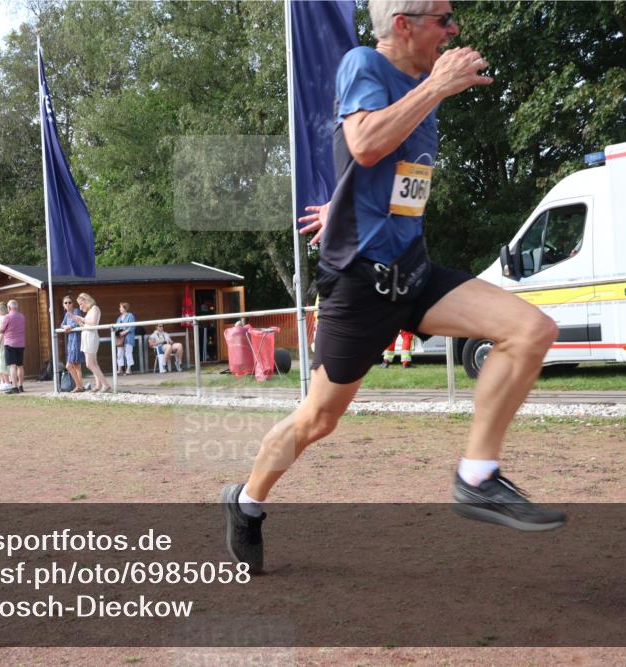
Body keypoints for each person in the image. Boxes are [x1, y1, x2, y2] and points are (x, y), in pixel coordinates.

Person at [222, 1, 564, 574]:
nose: (454, 30)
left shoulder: (415, 85)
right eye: (443, 18)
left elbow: (380, 166)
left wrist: (344, 198)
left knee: (532, 329)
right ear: (403, 24)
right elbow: (365, 142)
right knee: (317, 420)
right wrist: (436, 87)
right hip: (359, 285)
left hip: (414, 272)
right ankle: (247, 502)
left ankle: (476, 477)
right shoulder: (364, 62)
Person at [74, 293, 110, 393]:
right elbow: (86, 325)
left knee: (90, 364)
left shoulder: (95, 308)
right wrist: (79, 322)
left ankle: (106, 385)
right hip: (87, 336)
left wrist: (82, 319)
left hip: (91, 337)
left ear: (86, 301)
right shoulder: (90, 310)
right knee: (94, 363)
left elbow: (93, 322)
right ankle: (98, 385)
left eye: (81, 304)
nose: (80, 307)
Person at [0, 300, 26, 394]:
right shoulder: (22, 317)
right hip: (21, 344)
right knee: (20, 366)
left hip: (10, 344)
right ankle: (21, 386)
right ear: (16, 307)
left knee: (12, 366)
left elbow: (1, 330)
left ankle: (14, 387)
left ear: (9, 308)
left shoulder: (7, 317)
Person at [60, 295, 85, 392]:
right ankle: (80, 386)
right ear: (63, 305)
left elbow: (78, 322)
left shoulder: (76, 311)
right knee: (76, 365)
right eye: (65, 302)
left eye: (69, 302)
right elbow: (62, 324)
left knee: (69, 366)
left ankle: (79, 386)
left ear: (72, 303)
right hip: (70, 341)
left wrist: (69, 326)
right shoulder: (66, 314)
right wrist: (65, 327)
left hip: (77, 340)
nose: (67, 304)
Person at [115, 302, 137, 375]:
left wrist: (124, 332)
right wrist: (118, 333)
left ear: (125, 308)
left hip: (128, 338)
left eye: (121, 307)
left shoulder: (130, 316)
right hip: (120, 338)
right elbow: (116, 328)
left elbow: (132, 327)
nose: (119, 309)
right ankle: (120, 369)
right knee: (119, 354)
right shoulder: (119, 318)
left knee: (128, 353)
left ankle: (128, 369)